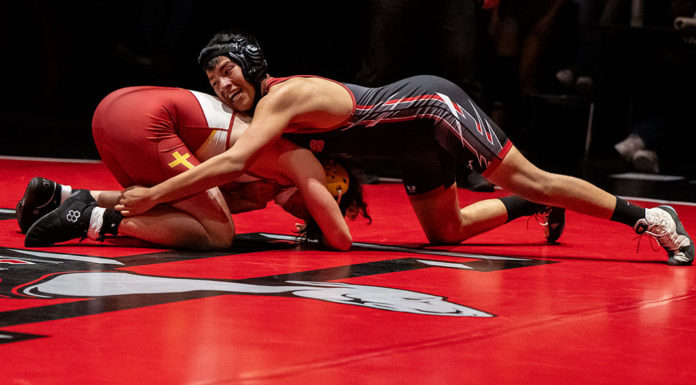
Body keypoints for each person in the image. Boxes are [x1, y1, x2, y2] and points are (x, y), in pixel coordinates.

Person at [20, 86, 369, 251]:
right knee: (219, 235)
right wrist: (154, 195)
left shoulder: (265, 179)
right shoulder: (297, 159)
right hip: (148, 121)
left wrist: (244, 197)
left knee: (183, 208)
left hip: (114, 109)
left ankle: (59, 198)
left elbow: (191, 197)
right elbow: (341, 240)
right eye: (317, 207)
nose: (305, 212)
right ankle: (91, 219)